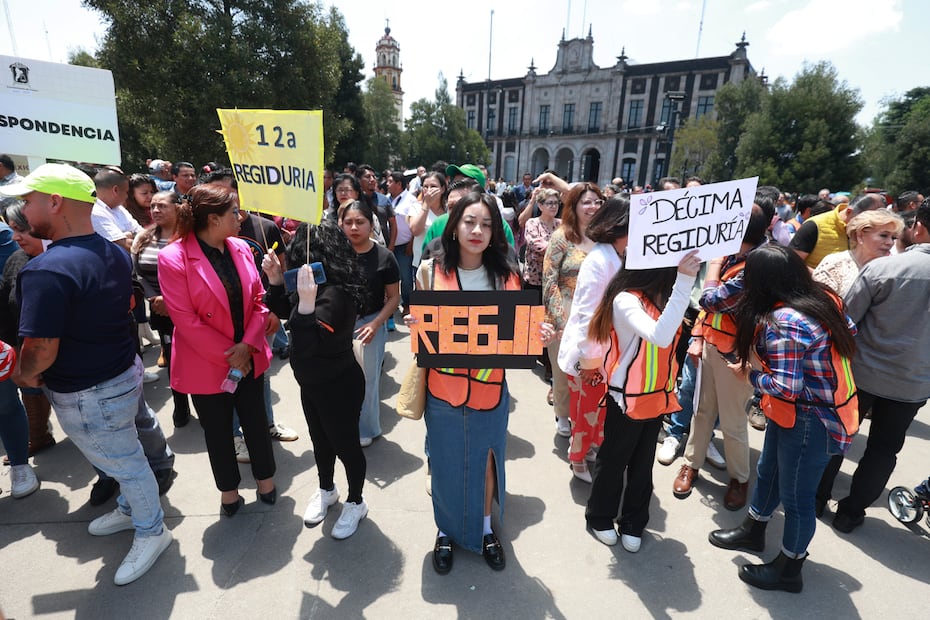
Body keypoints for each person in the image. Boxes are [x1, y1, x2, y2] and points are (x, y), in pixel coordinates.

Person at [3, 163, 172, 585]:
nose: (24, 209)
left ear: (55, 202)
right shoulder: (112, 250)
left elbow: (41, 349)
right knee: (126, 455)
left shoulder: (45, 270)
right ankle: (133, 511)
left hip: (89, 390)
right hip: (121, 373)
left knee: (125, 462)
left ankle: (153, 531)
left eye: (28, 200)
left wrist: (23, 375)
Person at [405, 191, 554, 574]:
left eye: (487, 224)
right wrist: (414, 325)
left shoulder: (508, 276)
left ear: (495, 233)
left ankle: (487, 529)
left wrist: (540, 334)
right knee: (446, 464)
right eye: (470, 221)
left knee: (488, 464)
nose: (477, 230)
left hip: (490, 392)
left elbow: (519, 333)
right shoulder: (429, 271)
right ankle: (446, 531)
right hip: (443, 392)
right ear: (454, 226)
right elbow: (422, 333)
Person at [708, 244, 858, 593]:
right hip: (803, 411)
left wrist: (748, 374)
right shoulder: (823, 298)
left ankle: (790, 567)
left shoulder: (786, 322)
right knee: (769, 472)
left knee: (797, 500)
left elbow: (785, 386)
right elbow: (851, 330)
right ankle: (754, 530)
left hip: (809, 417)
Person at [157, 183, 277, 516]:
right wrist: (232, 354)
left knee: (256, 421)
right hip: (207, 362)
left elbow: (258, 300)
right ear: (213, 219)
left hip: (249, 354)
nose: (241, 218)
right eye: (234, 213)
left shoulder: (240, 246)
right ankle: (229, 491)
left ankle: (266, 480)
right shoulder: (174, 257)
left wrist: (248, 345)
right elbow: (185, 320)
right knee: (219, 431)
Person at [816, 200, 930, 533]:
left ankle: (816, 498)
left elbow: (846, 320)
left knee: (837, 437)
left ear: (917, 227)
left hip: (861, 375)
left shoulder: (884, 268)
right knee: (884, 450)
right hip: (913, 384)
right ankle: (851, 511)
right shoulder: (884, 266)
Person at [585, 250, 701, 551]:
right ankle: (599, 517)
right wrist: (685, 282)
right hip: (625, 399)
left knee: (642, 464)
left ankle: (634, 521)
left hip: (657, 397)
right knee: (613, 461)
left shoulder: (663, 297)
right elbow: (660, 336)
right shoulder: (627, 299)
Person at [262, 223, 370, 539]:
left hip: (339, 385)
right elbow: (284, 309)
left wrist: (306, 305)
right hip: (311, 383)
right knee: (320, 441)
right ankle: (327, 489)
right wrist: (276, 282)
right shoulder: (310, 288)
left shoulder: (336, 295)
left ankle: (356, 501)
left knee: (346, 446)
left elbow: (307, 340)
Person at [674, 204, 770, 511]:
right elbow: (708, 312)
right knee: (701, 412)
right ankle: (691, 463)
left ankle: (739, 479)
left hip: (739, 356)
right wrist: (699, 337)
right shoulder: (735, 255)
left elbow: (710, 299)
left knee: (732, 422)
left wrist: (712, 268)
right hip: (713, 347)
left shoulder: (758, 265)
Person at [542, 183, 605, 480]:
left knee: (592, 385)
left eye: (597, 201)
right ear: (574, 206)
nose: (592, 207)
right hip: (565, 318)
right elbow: (550, 280)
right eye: (586, 202)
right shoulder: (561, 238)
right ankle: (566, 421)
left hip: (599, 324)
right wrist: (561, 321)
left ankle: (587, 436)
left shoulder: (607, 239)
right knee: (564, 377)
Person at [339, 200, 400, 446]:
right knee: (341, 380)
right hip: (339, 326)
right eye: (348, 222)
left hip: (370, 325)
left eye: (360, 222)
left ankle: (368, 429)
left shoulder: (385, 257)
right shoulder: (336, 255)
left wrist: (375, 324)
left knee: (367, 381)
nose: (354, 227)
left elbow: (394, 298)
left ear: (371, 224)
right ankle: (344, 424)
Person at [131, 191, 192, 427]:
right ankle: (181, 403)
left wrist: (171, 299)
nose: (155, 210)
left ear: (178, 207)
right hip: (159, 308)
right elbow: (137, 273)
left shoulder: (190, 236)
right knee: (172, 354)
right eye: (153, 206)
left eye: (162, 206)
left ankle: (201, 399)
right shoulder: (144, 237)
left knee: (194, 356)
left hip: (187, 307)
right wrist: (155, 298)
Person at [0, 202, 55, 462]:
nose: (13, 237)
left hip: (71, 356)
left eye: (20, 229)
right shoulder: (16, 260)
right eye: (11, 230)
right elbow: (6, 309)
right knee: (31, 392)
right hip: (29, 349)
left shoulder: (63, 257)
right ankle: (39, 435)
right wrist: (19, 354)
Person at [812, 209, 903, 297]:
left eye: (893, 238)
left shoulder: (893, 267)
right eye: (884, 235)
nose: (890, 242)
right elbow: (820, 304)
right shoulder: (835, 264)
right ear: (860, 235)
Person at [406, 171, 447, 270]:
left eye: (433, 186)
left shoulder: (448, 208)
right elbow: (415, 231)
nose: (429, 190)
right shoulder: (416, 207)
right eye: (425, 186)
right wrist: (426, 205)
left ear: (442, 189)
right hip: (423, 263)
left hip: (446, 261)